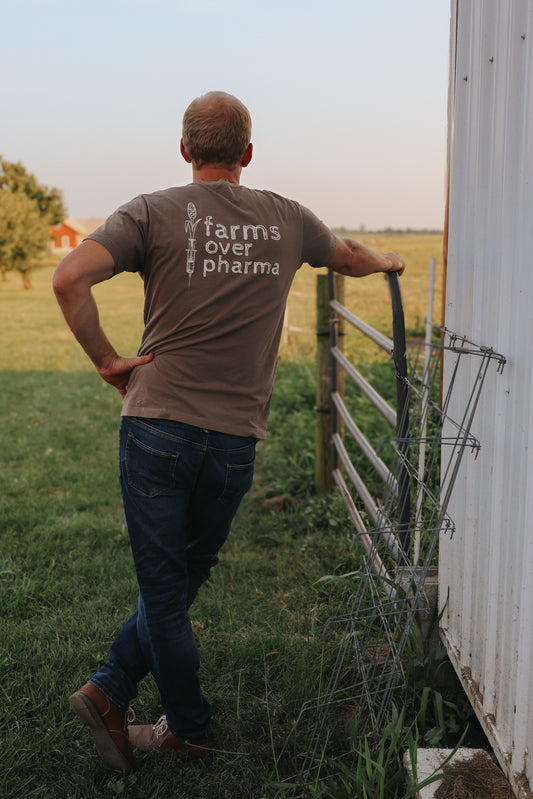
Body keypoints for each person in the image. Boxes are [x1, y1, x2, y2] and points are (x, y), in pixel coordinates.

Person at [53, 90, 405, 773]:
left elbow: (70, 278)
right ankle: (137, 704)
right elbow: (347, 254)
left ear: (185, 149)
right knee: (182, 580)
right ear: (247, 152)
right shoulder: (289, 218)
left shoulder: (150, 210)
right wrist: (387, 260)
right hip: (234, 438)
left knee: (166, 588)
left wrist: (106, 360)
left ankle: (146, 708)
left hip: (156, 429)